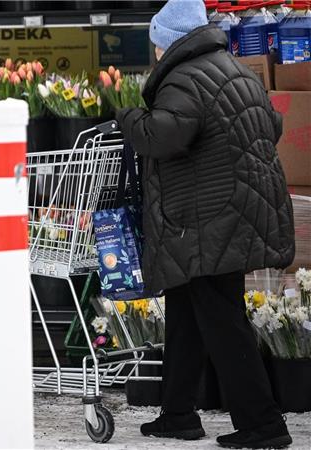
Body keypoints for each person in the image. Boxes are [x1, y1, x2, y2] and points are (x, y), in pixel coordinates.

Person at [116, 1, 296, 448]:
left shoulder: (184, 78)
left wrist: (127, 116)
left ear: (169, 42)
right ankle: (177, 413)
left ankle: (264, 425)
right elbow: (270, 125)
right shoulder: (232, 69)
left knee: (221, 319)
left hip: (207, 219)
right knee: (185, 312)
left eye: (157, 42)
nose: (155, 51)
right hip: (235, 210)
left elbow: (162, 136)